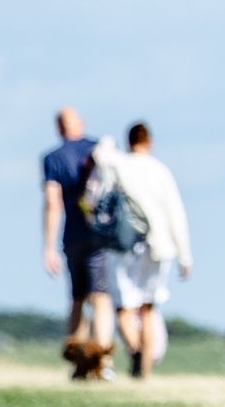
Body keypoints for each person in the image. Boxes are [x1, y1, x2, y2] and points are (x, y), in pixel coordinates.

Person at [105, 121, 193, 379]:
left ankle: (135, 351)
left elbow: (102, 203)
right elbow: (175, 213)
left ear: (128, 140)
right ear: (149, 142)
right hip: (159, 244)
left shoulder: (117, 167)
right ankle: (145, 367)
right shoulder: (160, 171)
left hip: (123, 244)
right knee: (148, 308)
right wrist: (185, 254)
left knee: (123, 307)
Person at [39, 107, 117, 380]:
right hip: (99, 235)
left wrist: (47, 246)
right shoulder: (99, 151)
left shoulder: (53, 158)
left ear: (58, 128)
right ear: (80, 124)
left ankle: (77, 360)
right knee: (101, 296)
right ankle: (103, 360)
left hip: (71, 236)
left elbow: (52, 203)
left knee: (76, 298)